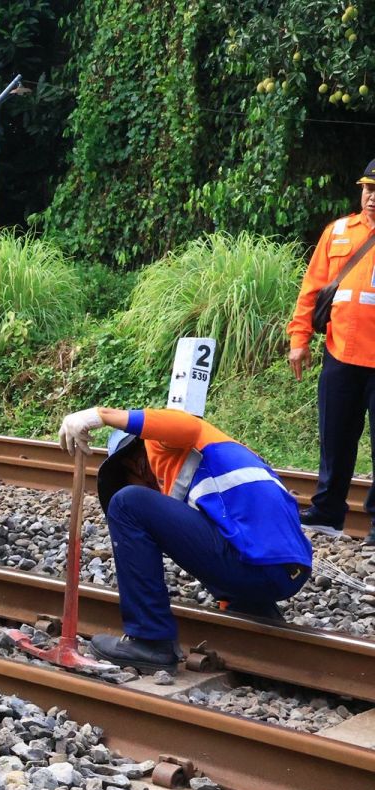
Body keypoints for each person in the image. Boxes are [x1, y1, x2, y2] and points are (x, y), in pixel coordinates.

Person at [58, 405, 313, 673]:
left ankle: (150, 640)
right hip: (287, 571)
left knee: (126, 503)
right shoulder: (216, 461)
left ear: (134, 462)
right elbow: (212, 539)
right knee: (158, 513)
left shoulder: (162, 446)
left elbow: (187, 424)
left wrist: (100, 416)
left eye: (127, 478)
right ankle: (254, 612)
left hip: (259, 565)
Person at [288, 158, 375, 545]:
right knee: (335, 438)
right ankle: (326, 513)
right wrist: (299, 339)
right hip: (341, 353)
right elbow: (311, 290)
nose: (372, 197)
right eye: (368, 188)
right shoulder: (337, 232)